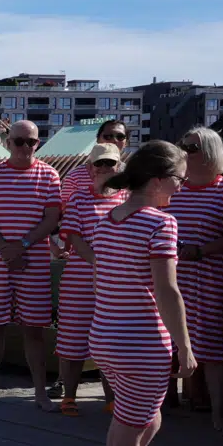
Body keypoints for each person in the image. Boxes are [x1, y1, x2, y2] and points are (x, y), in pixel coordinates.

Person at [86, 141, 195, 446]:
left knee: (144, 425)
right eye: (178, 180)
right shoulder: (160, 224)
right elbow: (167, 291)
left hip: (107, 337)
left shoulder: (109, 216)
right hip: (142, 344)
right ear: (156, 181)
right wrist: (185, 346)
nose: (181, 188)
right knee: (125, 444)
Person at [0, 120, 63, 411]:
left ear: (37, 143)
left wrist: (21, 246)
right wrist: (7, 250)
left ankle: (40, 393)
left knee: (34, 327)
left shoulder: (49, 175)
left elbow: (51, 219)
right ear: (8, 142)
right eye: (18, 141)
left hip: (33, 260)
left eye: (30, 142)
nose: (24, 147)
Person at [164, 127, 223, 427]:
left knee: (209, 346)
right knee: (166, 341)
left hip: (210, 276)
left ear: (210, 152)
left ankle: (217, 412)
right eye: (183, 146)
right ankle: (163, 406)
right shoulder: (173, 188)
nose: (185, 152)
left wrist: (201, 250)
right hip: (171, 277)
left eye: (191, 147)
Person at [55, 144, 126, 415]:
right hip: (80, 282)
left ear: (118, 166)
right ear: (90, 167)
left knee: (110, 343)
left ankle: (112, 399)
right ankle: (69, 396)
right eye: (100, 163)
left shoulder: (127, 198)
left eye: (111, 163)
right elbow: (73, 237)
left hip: (116, 284)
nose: (106, 169)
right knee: (72, 341)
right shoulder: (78, 200)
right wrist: (101, 262)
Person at [60, 119, 131, 207]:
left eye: (120, 137)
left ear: (126, 142)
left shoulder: (131, 176)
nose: (114, 140)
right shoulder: (74, 177)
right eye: (108, 136)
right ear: (97, 139)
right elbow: (65, 209)